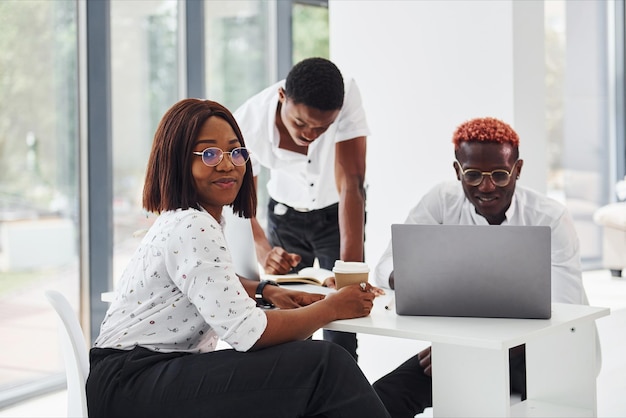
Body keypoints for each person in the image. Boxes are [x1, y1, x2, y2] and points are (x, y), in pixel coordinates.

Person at [85, 98, 392, 417]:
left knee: (308, 369)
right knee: (326, 365)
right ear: (177, 161)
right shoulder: (194, 225)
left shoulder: (187, 219)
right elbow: (249, 333)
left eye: (236, 151)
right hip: (132, 384)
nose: (227, 164)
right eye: (209, 153)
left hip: (132, 377)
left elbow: (207, 281)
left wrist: (266, 291)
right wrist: (330, 308)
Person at [372, 116, 591, 417]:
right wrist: (410, 276)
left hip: (540, 351)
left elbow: (565, 311)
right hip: (461, 347)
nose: (486, 186)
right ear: (457, 170)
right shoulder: (441, 201)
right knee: (380, 399)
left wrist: (471, 354)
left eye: (500, 175)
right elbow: (384, 267)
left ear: (518, 170)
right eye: (473, 175)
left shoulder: (550, 218)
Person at [234, 57, 369, 360]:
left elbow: (352, 182)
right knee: (288, 323)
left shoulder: (346, 95)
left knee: (343, 329)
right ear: (282, 97)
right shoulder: (246, 124)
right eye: (300, 123)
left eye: (323, 128)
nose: (310, 134)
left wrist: (349, 272)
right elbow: (240, 201)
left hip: (337, 216)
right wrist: (263, 250)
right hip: (285, 218)